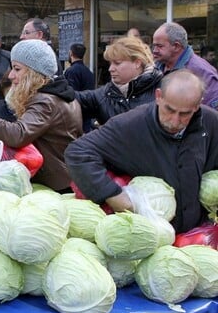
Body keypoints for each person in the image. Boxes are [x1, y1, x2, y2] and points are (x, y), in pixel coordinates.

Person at [65, 70, 217, 234]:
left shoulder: (210, 122)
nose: (175, 120)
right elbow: (77, 152)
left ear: (197, 105)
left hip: (199, 232)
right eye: (169, 110)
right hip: (151, 235)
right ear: (158, 96)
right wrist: (111, 194)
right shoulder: (131, 124)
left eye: (185, 114)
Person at [0, 39, 82, 192]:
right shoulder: (54, 94)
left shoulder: (46, 101)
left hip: (56, 186)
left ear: (34, 73)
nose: (11, 76)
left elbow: (18, 134)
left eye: (17, 69)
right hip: (58, 179)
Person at [76, 37, 162, 129]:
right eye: (110, 64)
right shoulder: (105, 94)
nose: (110, 69)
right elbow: (76, 98)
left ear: (137, 63)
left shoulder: (164, 89)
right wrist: (61, 88)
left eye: (117, 63)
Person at [152, 22, 218, 109]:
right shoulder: (156, 66)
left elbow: (212, 115)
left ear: (176, 46)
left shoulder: (203, 73)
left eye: (159, 46)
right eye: (154, 46)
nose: (154, 50)